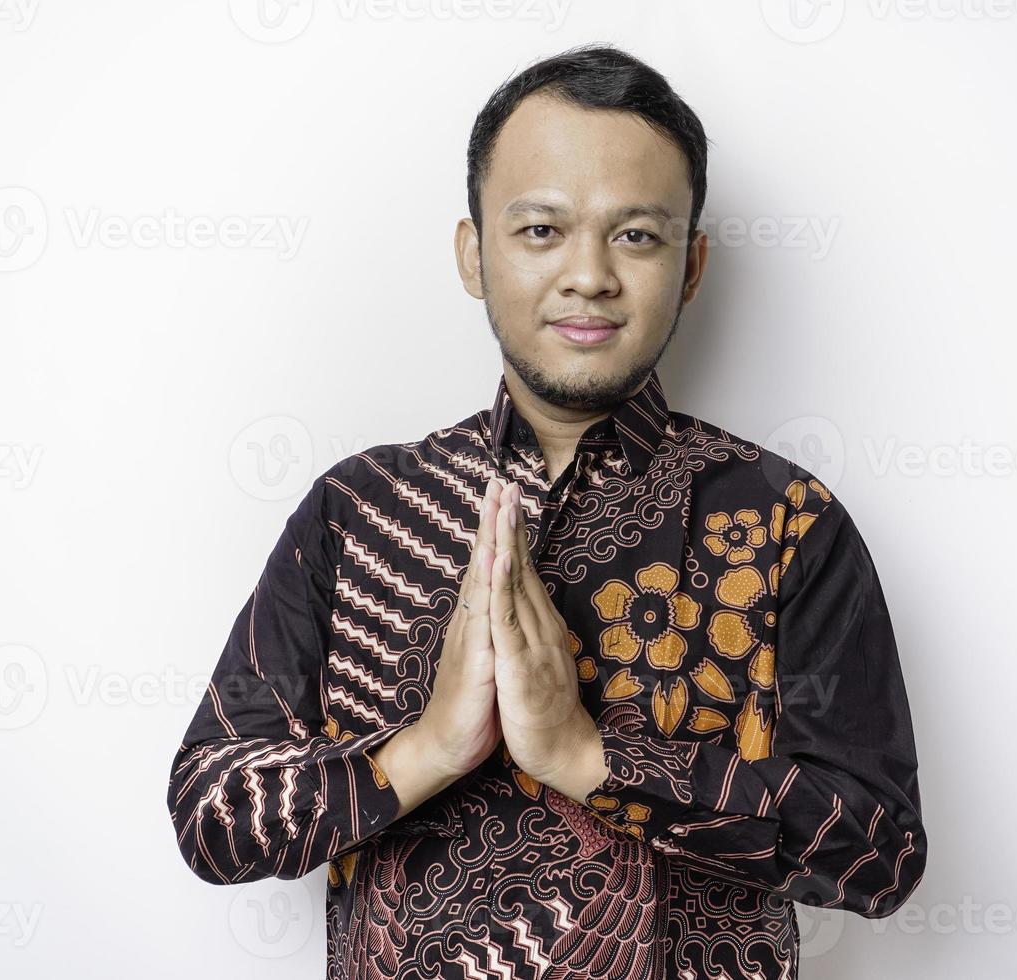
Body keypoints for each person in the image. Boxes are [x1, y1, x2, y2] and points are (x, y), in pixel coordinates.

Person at [166, 43, 926, 980]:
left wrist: (592, 760)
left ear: (691, 268)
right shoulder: (358, 514)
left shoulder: (784, 525)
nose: (590, 276)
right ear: (473, 254)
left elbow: (881, 853)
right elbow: (213, 817)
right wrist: (429, 748)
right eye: (540, 231)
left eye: (636, 236)